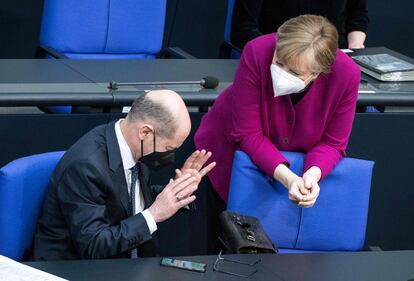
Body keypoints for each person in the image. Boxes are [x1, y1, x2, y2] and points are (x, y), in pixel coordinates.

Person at [195, 15, 360, 253]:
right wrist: (289, 178)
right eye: (279, 62)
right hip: (230, 155)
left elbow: (333, 143)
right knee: (226, 247)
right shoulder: (257, 51)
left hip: (293, 165)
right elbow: (248, 133)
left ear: (317, 74)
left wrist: (312, 175)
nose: (281, 73)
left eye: (294, 72)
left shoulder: (346, 75)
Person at [33, 90, 216, 260]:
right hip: (71, 267)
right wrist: (153, 215)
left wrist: (177, 192)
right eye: (168, 148)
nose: (170, 156)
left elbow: (125, 199)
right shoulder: (86, 166)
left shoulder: (131, 146)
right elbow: (93, 245)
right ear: (145, 132)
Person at [230, 0, 369, 50]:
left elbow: (357, 17)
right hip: (278, 58)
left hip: (332, 56)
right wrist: (288, 51)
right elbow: (242, 30)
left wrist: (355, 44)